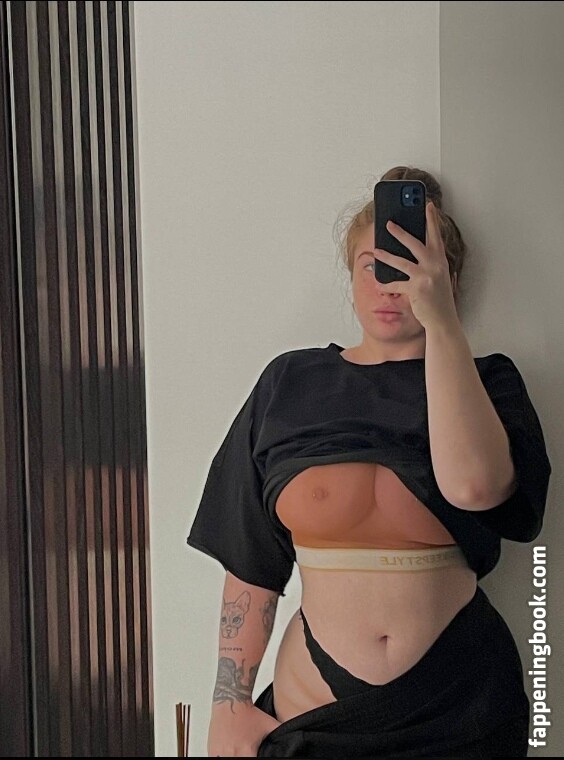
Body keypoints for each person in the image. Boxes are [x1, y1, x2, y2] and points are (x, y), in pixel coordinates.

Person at [186, 166, 552, 758]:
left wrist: (442, 324)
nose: (389, 287)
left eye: (411, 269)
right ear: (351, 275)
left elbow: (476, 487)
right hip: (317, 715)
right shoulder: (290, 382)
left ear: (448, 279)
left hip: (459, 712)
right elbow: (250, 558)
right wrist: (229, 704)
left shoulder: (490, 383)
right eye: (373, 266)